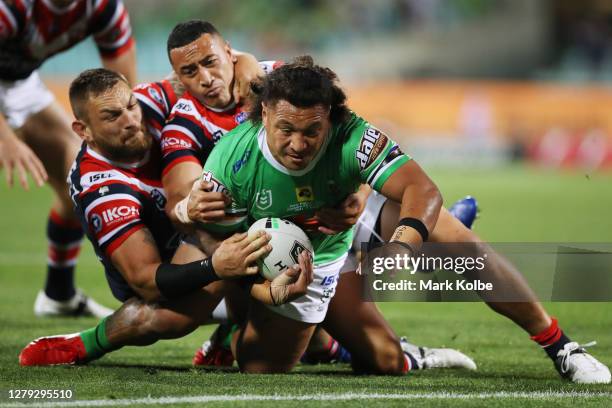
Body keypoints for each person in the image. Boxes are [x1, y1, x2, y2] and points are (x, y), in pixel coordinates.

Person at [160, 20, 479, 368]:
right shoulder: (192, 129)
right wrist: (187, 209)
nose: (205, 78)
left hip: (329, 228)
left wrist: (366, 196)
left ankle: (545, 336)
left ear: (229, 53)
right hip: (267, 237)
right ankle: (257, 328)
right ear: (177, 77)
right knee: (255, 355)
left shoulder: (282, 80)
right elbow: (183, 204)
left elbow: (355, 152)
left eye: (210, 62)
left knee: (387, 360)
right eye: (189, 71)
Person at [18, 68, 312, 366]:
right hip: (174, 267)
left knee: (337, 327)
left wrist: (361, 197)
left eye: (131, 106)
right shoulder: (102, 189)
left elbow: (240, 66)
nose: (131, 120)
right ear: (84, 131)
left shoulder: (345, 155)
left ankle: (325, 331)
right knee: (234, 347)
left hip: (338, 249)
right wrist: (216, 266)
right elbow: (144, 280)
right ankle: (86, 343)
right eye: (111, 116)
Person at [0, 0, 137, 318]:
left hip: (20, 84)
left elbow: (126, 87)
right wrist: (5, 137)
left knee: (81, 174)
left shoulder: (103, 9)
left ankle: (58, 294)